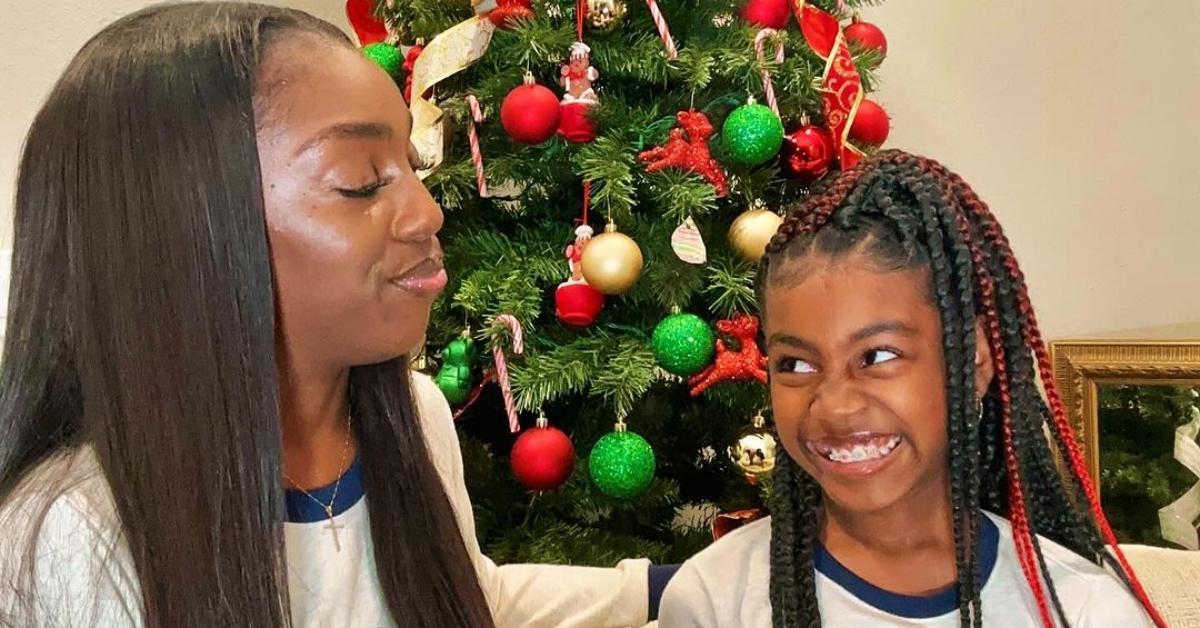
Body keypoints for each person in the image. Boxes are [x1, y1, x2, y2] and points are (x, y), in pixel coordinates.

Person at [0, 3, 663, 626]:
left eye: (412, 164)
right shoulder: (76, 533)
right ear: (181, 233)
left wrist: (660, 589)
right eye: (360, 181)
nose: (428, 213)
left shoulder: (415, 416)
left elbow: (463, 592)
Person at [657, 150, 1166, 627]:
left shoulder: (1083, 610)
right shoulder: (715, 600)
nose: (834, 404)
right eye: (796, 363)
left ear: (974, 361)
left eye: (877, 356)